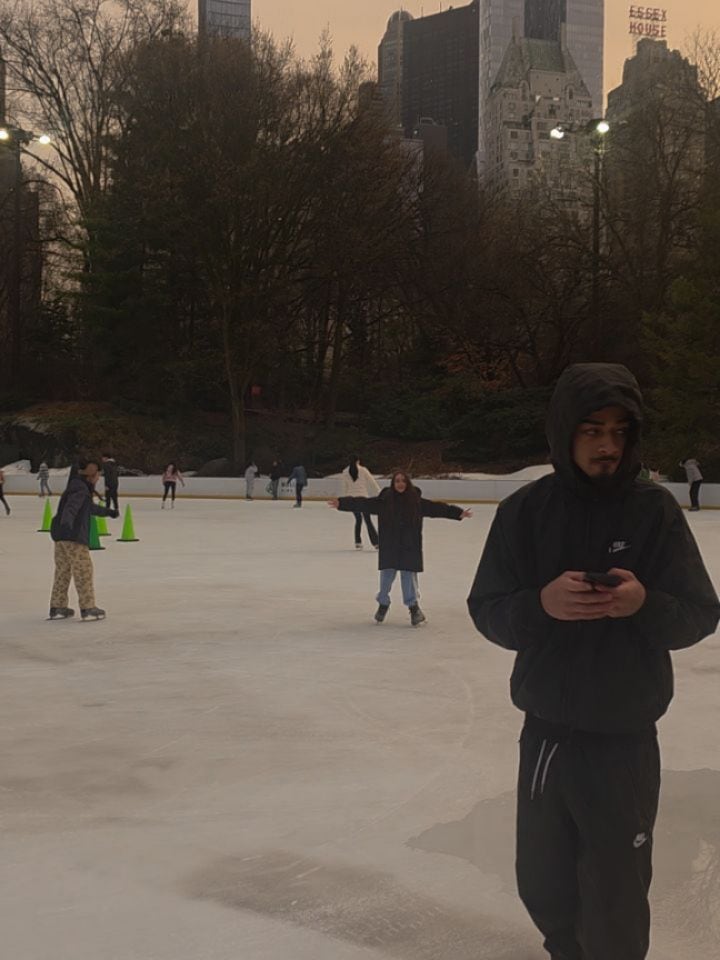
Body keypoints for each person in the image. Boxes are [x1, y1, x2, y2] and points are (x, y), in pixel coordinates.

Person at [467, 363, 720, 960]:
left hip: (622, 742)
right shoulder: (525, 512)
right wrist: (541, 605)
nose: (608, 445)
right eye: (592, 430)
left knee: (615, 896)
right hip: (546, 737)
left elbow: (699, 614)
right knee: (544, 881)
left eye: (619, 431)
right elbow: (487, 608)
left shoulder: (654, 512)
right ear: (564, 431)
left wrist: (643, 603)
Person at [329, 470, 472, 625]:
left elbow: (436, 508)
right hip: (390, 546)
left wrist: (457, 513)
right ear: (393, 484)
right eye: (397, 481)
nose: (400, 484)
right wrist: (342, 503)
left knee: (408, 578)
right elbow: (363, 503)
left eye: (403, 481)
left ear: (408, 483)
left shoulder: (416, 502)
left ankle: (414, 608)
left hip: (409, 547)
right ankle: (383, 604)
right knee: (386, 579)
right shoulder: (384, 502)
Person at [49, 458, 119, 620]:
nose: (99, 478)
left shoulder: (77, 486)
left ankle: (58, 607)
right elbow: (71, 507)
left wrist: (108, 512)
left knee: (62, 571)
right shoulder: (80, 488)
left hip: (60, 536)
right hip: (73, 536)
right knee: (83, 571)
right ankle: (88, 608)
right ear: (91, 474)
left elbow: (88, 508)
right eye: (98, 474)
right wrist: (67, 524)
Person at [341, 455, 381, 550]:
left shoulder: (345, 472)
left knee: (358, 520)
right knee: (368, 520)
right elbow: (372, 482)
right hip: (363, 498)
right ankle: (376, 542)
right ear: (358, 461)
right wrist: (379, 492)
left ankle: (358, 542)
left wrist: (345, 500)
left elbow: (344, 487)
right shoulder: (363, 470)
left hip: (352, 499)